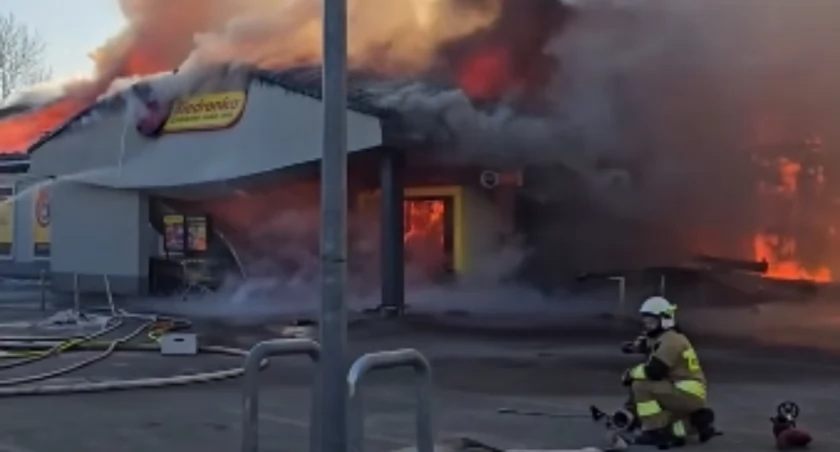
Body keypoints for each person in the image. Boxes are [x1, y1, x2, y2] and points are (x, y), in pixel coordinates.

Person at [621, 296, 717, 448]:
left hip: (685, 392)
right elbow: (651, 342)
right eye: (646, 321)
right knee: (671, 426)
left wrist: (630, 374)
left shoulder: (671, 341)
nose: (648, 325)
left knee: (641, 385)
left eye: (652, 321)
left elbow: (654, 371)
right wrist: (634, 346)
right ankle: (695, 422)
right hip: (689, 392)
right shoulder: (670, 337)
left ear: (664, 320)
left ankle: (652, 430)